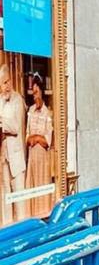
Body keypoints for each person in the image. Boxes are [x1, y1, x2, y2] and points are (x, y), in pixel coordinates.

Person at [25, 73, 53, 216]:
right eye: (33, 93)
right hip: (32, 157)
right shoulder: (30, 111)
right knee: (33, 186)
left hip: (42, 157)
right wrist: (36, 137)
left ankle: (44, 215)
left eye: (36, 92)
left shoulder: (47, 113)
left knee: (42, 185)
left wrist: (36, 138)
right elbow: (27, 137)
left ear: (41, 92)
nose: (34, 96)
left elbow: (47, 140)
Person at [0, 63, 26, 204]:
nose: (8, 85)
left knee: (19, 199)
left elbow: (15, 127)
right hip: (3, 158)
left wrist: (2, 121)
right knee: (5, 199)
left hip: (16, 158)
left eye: (9, 81)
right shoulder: (0, 101)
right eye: (4, 83)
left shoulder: (17, 100)